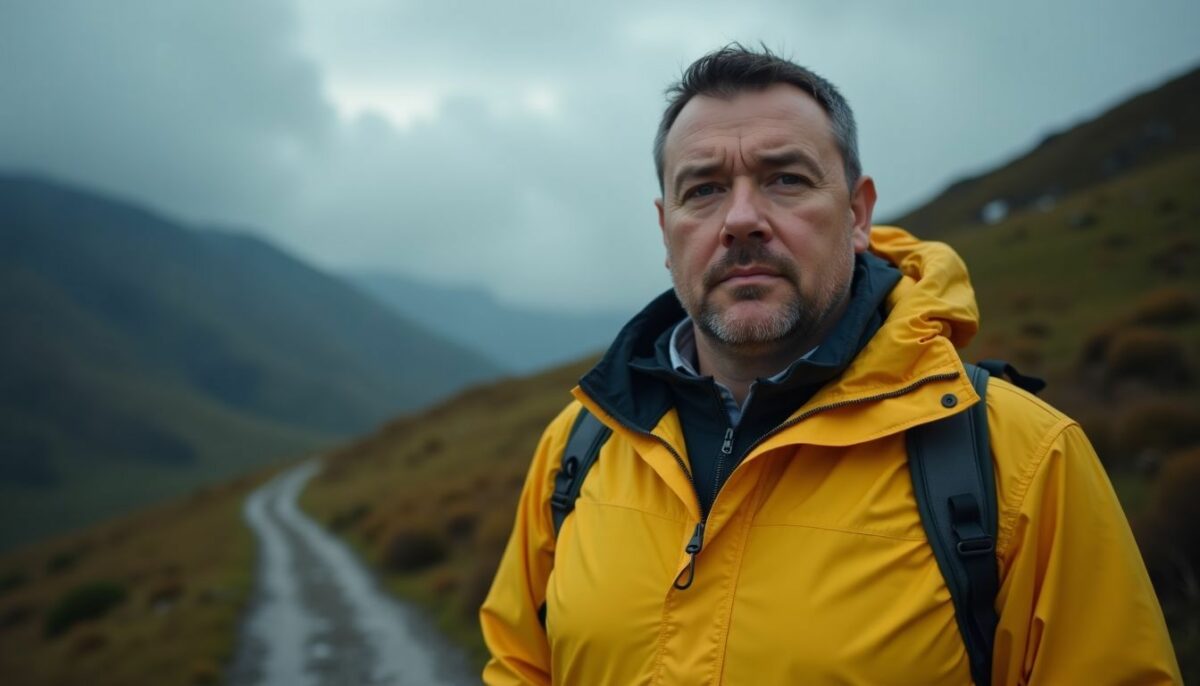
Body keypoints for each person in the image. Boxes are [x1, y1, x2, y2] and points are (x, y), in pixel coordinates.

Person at [479, 45, 1181, 685]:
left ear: (857, 213)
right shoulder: (579, 448)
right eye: (704, 189)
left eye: (785, 179)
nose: (742, 219)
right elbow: (517, 666)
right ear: (667, 231)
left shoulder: (1021, 461)